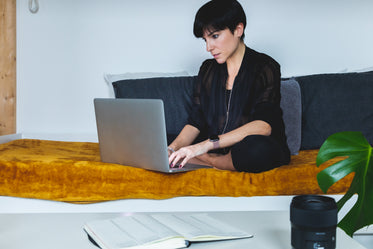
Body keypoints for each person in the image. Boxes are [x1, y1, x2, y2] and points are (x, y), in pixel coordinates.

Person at [168, 0, 290, 173]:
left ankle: (211, 161)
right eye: (205, 40)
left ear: (238, 30)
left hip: (249, 149)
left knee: (257, 149)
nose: (209, 47)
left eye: (215, 36)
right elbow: (196, 121)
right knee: (158, 141)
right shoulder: (207, 69)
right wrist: (171, 149)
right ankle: (198, 157)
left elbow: (264, 125)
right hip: (214, 146)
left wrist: (204, 147)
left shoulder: (265, 66)